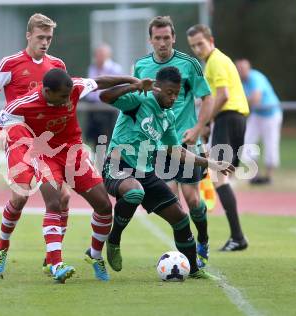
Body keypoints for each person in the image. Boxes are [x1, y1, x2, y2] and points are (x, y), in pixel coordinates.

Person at [0, 69, 149, 283]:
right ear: (47, 91)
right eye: (62, 97)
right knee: (54, 201)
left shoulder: (74, 87)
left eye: (69, 97)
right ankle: (56, 264)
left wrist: (131, 80)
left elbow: (99, 82)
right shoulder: (22, 105)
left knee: (104, 206)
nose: (67, 101)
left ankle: (94, 255)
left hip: (73, 152)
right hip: (45, 155)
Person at [99, 66, 234, 277]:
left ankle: (194, 269)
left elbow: (177, 151)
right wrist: (133, 86)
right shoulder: (140, 99)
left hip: (145, 172)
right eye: (169, 93)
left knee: (180, 218)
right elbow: (104, 96)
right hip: (117, 165)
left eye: (176, 94)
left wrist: (210, 163)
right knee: (135, 192)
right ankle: (114, 239)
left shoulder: (168, 117)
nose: (173, 98)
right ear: (157, 88)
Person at [0, 13, 71, 275]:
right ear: (28, 36)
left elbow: (65, 102)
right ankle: (2, 245)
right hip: (18, 136)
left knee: (63, 196)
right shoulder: (10, 63)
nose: (45, 43)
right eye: (40, 37)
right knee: (19, 197)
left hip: (47, 140)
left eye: (49, 38)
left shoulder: (57, 66)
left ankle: (54, 257)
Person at [126, 16, 214, 268]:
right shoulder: (141, 66)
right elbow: (135, 102)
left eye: (167, 38)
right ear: (150, 39)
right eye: (158, 38)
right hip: (158, 144)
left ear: (173, 38)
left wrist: (198, 128)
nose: (162, 43)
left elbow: (206, 98)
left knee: (193, 200)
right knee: (172, 204)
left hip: (185, 141)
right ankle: (185, 258)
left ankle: (203, 240)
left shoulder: (189, 64)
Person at [186, 24, 249, 251]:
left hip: (228, 118)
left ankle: (238, 237)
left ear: (210, 40)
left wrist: (204, 123)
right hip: (234, 119)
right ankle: (237, 236)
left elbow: (223, 96)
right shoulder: (217, 60)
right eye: (193, 46)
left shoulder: (216, 61)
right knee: (221, 176)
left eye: (200, 43)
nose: (197, 49)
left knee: (219, 176)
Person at [236, 58, 282, 185]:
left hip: (271, 114)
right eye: (239, 69)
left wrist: (239, 104)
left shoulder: (256, 77)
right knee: (247, 143)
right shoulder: (239, 81)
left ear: (248, 68)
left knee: (271, 144)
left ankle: (268, 176)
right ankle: (254, 175)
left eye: (243, 69)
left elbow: (256, 98)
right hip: (257, 114)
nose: (241, 71)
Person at [85, 44, 123, 142]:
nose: (99, 57)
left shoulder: (115, 68)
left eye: (101, 54)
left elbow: (117, 88)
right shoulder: (92, 68)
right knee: (93, 136)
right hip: (93, 106)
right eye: (97, 54)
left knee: (108, 135)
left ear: (108, 55)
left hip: (109, 107)